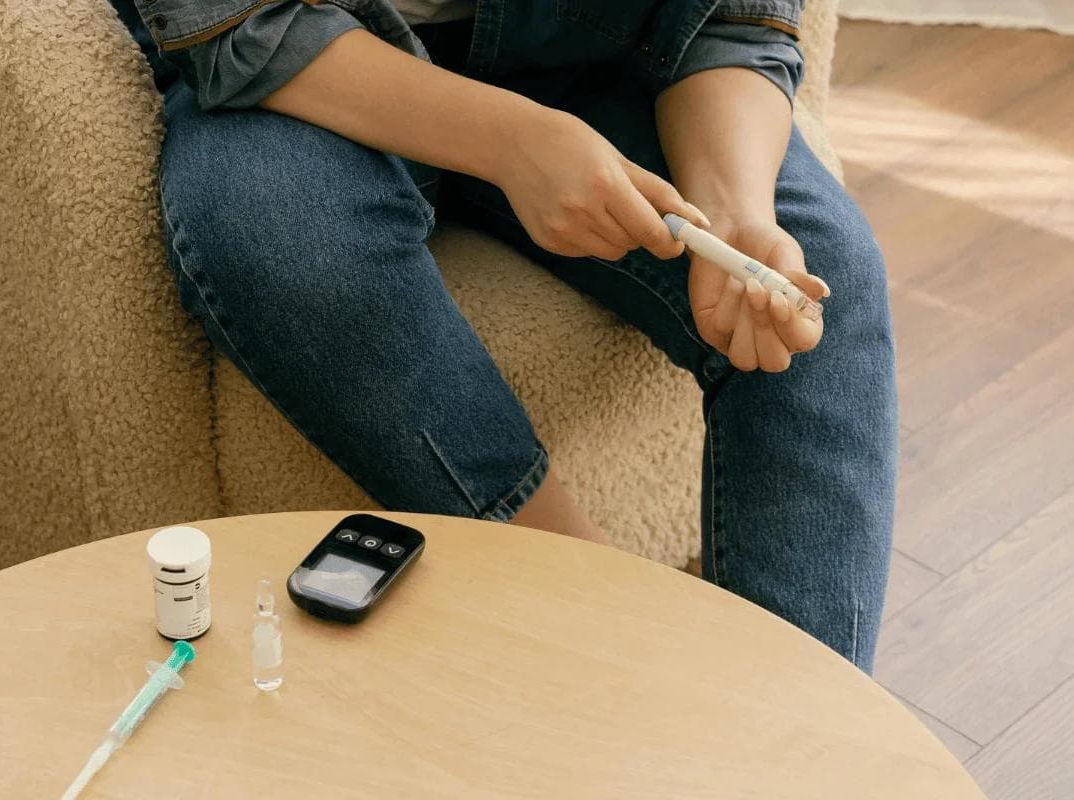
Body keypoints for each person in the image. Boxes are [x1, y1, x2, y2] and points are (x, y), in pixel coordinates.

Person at [110, 0, 897, 672]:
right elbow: (236, 19)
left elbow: (731, 20)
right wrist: (512, 143)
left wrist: (734, 210)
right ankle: (595, 606)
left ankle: (803, 739)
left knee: (817, 279)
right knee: (275, 231)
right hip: (318, 67)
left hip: (593, 58)